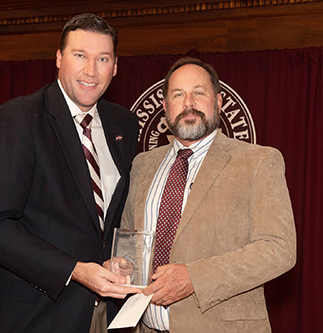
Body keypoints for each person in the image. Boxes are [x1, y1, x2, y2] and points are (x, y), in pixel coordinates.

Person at [0, 13, 141, 333]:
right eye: (80, 56)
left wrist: (125, 259)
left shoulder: (124, 125)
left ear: (115, 66)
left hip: (106, 315)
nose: (91, 71)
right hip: (33, 317)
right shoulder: (18, 119)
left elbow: (117, 216)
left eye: (102, 58)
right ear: (59, 58)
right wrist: (74, 270)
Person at [120, 57, 297, 332]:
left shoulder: (258, 161)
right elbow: (131, 242)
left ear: (219, 101)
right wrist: (121, 264)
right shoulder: (142, 165)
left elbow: (278, 249)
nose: (188, 102)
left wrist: (195, 277)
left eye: (198, 93)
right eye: (178, 95)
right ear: (165, 108)